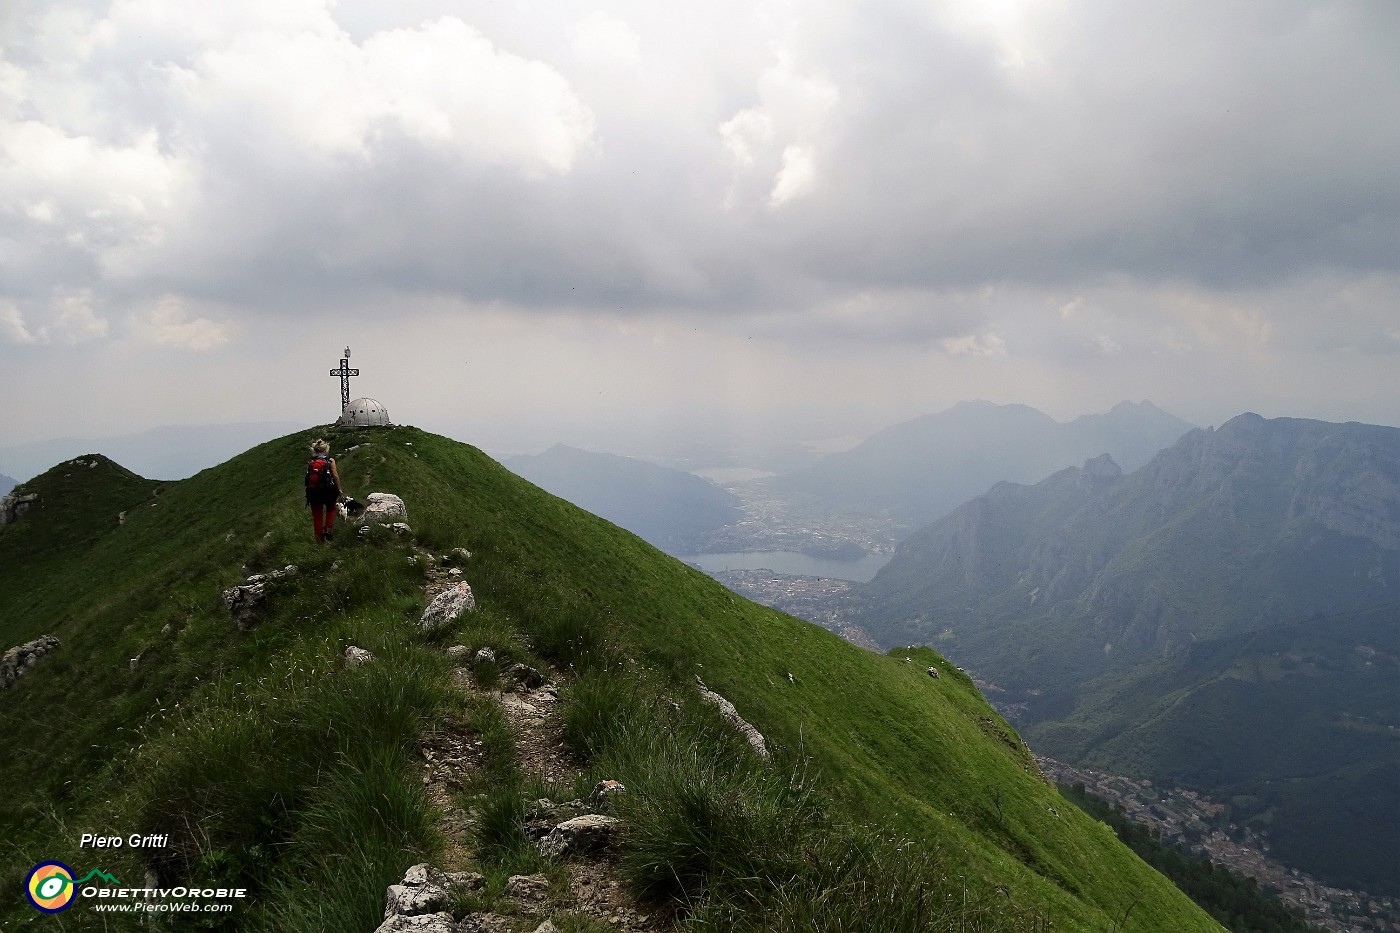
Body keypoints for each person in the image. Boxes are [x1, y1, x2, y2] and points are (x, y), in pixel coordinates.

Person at [305, 439, 345, 542]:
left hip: (313, 491)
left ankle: (319, 538)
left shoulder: (311, 461)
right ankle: (327, 529)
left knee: (317, 514)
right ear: (326, 449)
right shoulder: (330, 461)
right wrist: (339, 489)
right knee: (331, 509)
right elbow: (335, 476)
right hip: (328, 491)